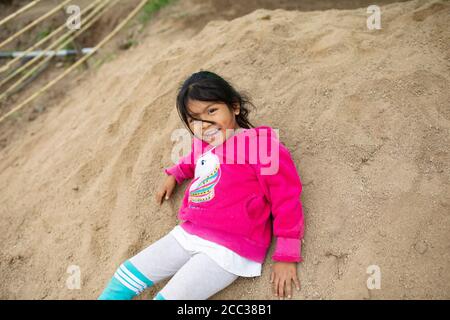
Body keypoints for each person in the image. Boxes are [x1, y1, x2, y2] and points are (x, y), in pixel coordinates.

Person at [98, 71, 305, 300]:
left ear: (234, 106)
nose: (205, 125)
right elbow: (191, 159)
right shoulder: (204, 144)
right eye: (194, 120)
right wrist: (174, 175)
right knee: (126, 274)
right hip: (189, 233)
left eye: (212, 111)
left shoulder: (261, 146)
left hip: (228, 249)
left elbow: (286, 200)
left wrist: (286, 256)